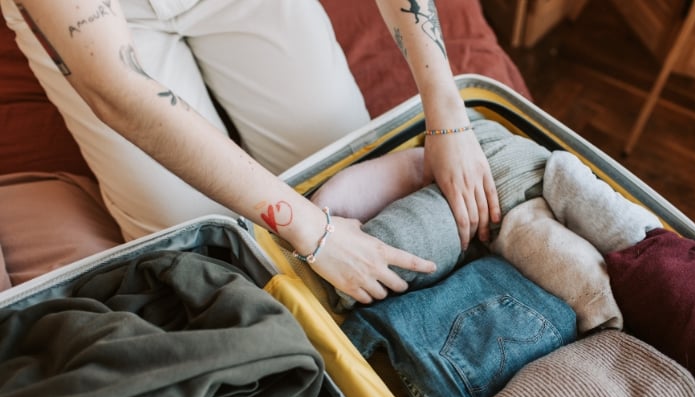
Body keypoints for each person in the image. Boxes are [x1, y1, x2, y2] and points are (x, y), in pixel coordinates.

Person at [0, 0, 501, 304]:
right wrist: (313, 233)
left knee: (341, 168)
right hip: (99, 27)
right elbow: (116, 86)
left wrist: (446, 113)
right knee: (199, 250)